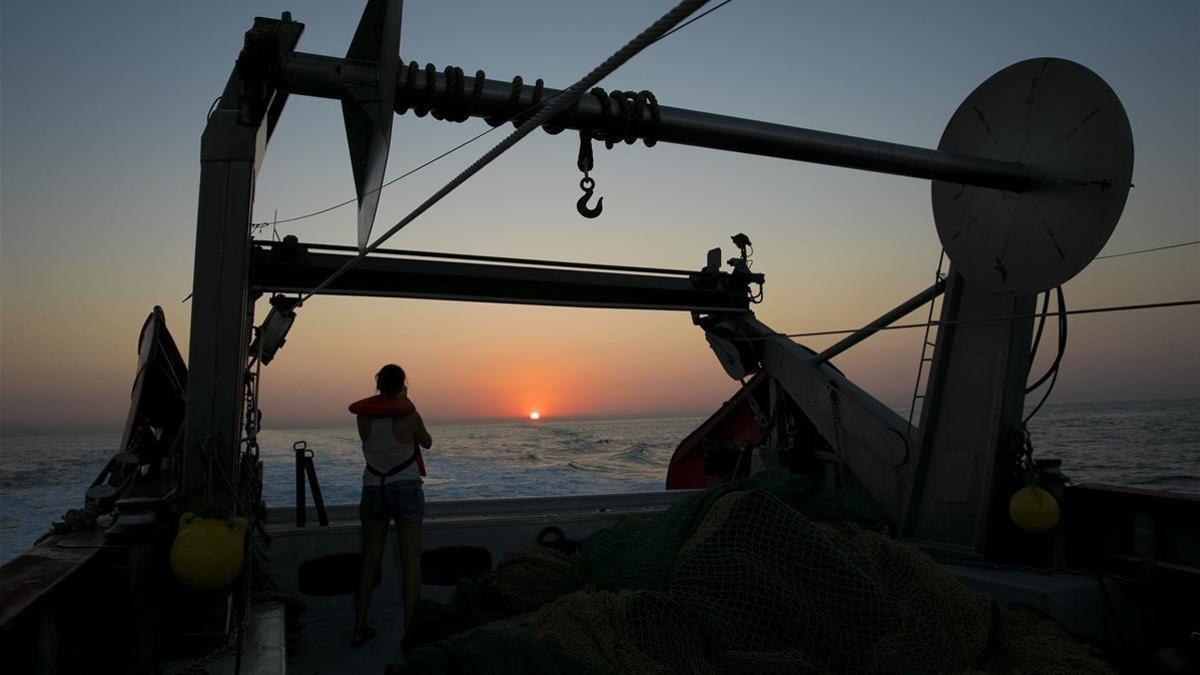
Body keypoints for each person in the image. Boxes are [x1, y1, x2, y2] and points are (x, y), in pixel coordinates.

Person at [352, 364, 432, 647]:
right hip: (406, 489)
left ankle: (360, 626)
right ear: (402, 385)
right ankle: (410, 632)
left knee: (370, 560)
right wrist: (406, 402)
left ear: (378, 385)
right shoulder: (410, 415)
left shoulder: (363, 417)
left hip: (373, 487)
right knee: (411, 562)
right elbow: (427, 442)